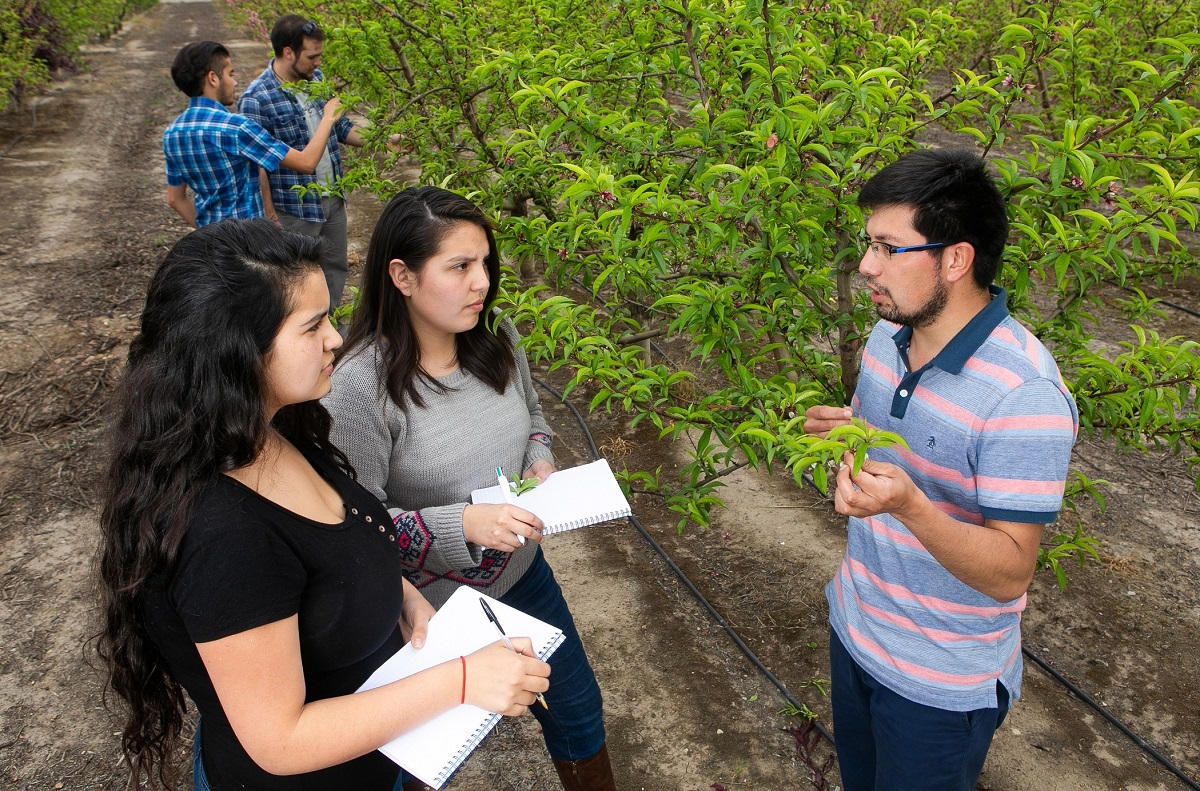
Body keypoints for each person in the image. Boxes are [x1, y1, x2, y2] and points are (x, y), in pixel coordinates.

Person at [96, 219, 551, 791]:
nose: (337, 338)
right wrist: (461, 680)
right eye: (313, 326)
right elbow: (280, 740)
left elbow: (337, 543)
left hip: (379, 756)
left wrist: (399, 594)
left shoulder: (274, 426)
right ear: (238, 351)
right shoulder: (222, 533)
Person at [323, 186, 617, 791]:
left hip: (522, 575)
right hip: (427, 607)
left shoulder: (495, 336)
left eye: (484, 263)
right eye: (459, 266)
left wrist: (539, 461)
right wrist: (463, 525)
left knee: (578, 713)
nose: (482, 282)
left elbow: (535, 416)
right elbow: (357, 525)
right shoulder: (360, 388)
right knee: (428, 757)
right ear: (402, 276)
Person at [803, 148, 1078, 791]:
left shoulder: (1023, 393)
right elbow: (894, 451)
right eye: (866, 243)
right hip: (855, 625)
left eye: (887, 248)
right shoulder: (885, 336)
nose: (865, 266)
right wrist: (848, 441)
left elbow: (1011, 571)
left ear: (955, 259)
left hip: (940, 683)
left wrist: (911, 505)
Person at [239, 15, 364, 307]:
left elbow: (342, 129)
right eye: (312, 56)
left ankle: (329, 328)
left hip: (332, 198)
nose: (318, 63)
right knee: (296, 279)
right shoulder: (257, 98)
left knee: (335, 268)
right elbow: (258, 166)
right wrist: (270, 217)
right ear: (288, 52)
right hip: (293, 209)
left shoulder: (316, 82)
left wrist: (387, 138)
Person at [162, 41, 342, 228]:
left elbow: (175, 199)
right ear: (213, 78)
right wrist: (328, 117)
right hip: (247, 242)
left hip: (209, 246)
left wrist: (206, 231)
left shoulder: (172, 134)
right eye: (230, 74)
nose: (234, 82)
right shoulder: (237, 128)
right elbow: (306, 162)